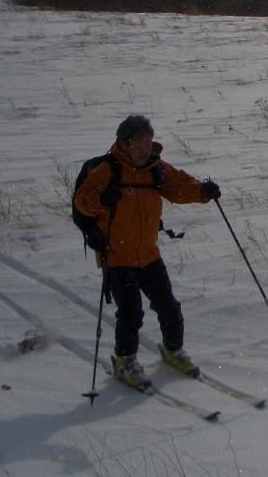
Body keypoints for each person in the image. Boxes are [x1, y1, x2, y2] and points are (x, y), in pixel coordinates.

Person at [73, 114, 221, 389]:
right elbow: (83, 201)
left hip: (149, 254)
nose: (143, 148)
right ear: (123, 143)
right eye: (137, 142)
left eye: (147, 141)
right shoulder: (108, 170)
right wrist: (101, 199)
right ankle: (125, 361)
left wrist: (203, 191)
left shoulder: (156, 167)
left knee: (169, 306)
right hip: (117, 257)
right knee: (131, 313)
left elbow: (178, 186)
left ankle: (173, 350)